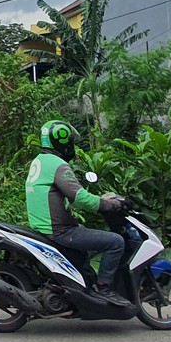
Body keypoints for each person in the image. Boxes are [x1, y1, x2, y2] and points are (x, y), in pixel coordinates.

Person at [25, 120, 132, 306]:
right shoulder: (57, 164)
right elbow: (80, 198)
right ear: (62, 140)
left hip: (44, 228)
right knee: (115, 242)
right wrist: (111, 205)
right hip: (61, 231)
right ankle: (103, 288)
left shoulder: (39, 161)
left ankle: (85, 286)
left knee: (85, 248)